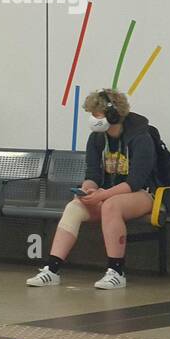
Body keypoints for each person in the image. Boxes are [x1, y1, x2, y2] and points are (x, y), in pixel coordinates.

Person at [26, 88, 156, 290]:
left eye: (98, 114)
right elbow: (93, 174)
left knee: (111, 205)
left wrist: (103, 195)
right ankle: (52, 269)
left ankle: (116, 272)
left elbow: (136, 181)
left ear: (113, 114)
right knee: (75, 206)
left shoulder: (141, 137)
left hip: (143, 194)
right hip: (109, 193)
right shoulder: (97, 138)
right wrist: (88, 189)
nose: (94, 119)